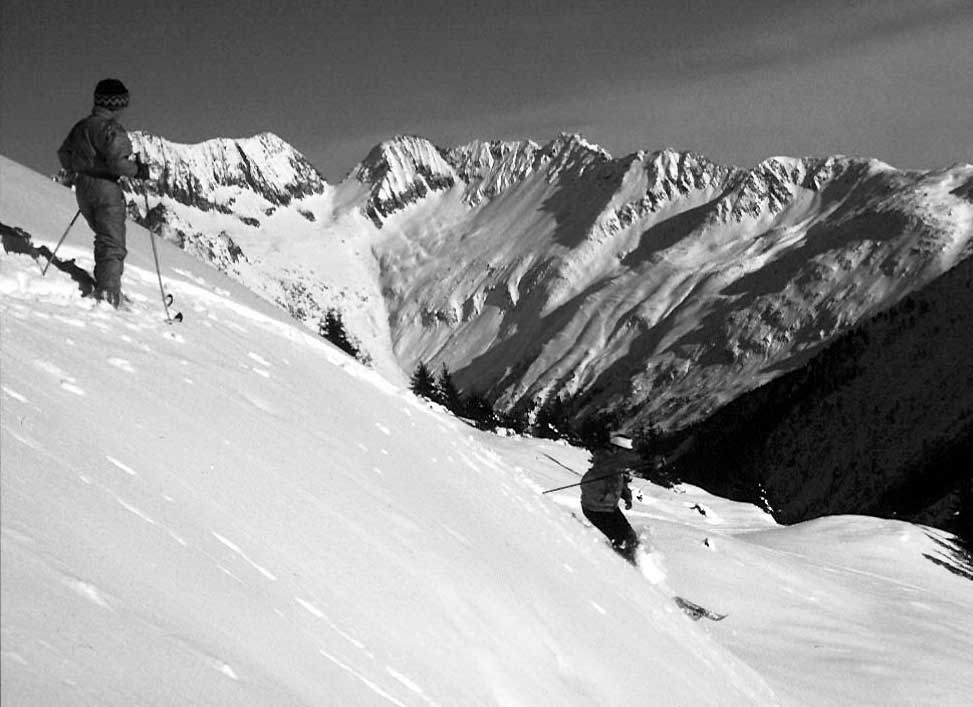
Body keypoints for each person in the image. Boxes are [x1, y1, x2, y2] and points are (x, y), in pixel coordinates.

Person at [57, 78, 151, 307]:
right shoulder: (110, 129)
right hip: (106, 188)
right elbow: (118, 163)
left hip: (82, 187)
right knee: (112, 242)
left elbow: (64, 155)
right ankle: (109, 293)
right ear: (116, 104)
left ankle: (105, 285)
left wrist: (85, 165)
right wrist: (138, 170)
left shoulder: (81, 127)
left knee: (104, 238)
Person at [580, 433, 641, 563]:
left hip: (609, 508)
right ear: (617, 449)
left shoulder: (615, 464)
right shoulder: (606, 462)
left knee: (630, 537)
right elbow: (588, 483)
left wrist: (627, 497)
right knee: (621, 540)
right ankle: (627, 568)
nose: (627, 455)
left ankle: (637, 562)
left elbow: (620, 481)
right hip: (596, 509)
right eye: (626, 452)